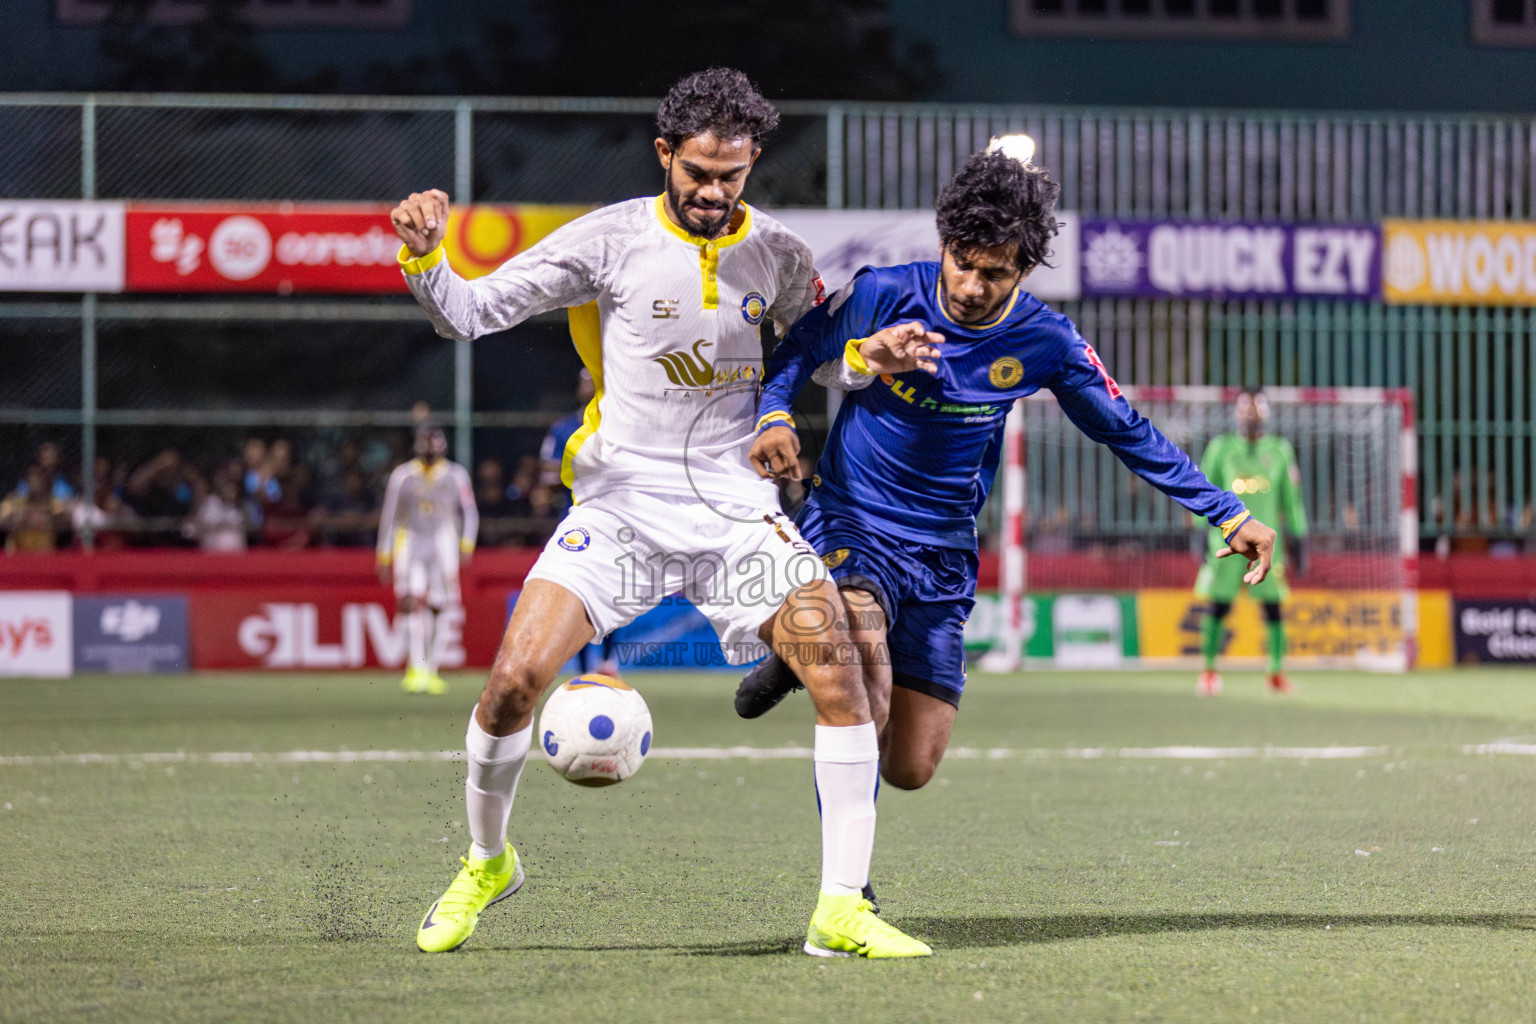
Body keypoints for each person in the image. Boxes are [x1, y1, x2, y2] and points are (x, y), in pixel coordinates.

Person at [390, 67, 928, 959]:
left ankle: (841, 912)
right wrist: (426, 257)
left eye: (734, 176)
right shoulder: (607, 241)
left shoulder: (782, 254)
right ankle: (488, 861)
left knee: (840, 677)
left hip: (734, 512)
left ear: (753, 164)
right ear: (665, 155)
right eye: (699, 174)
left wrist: (871, 353)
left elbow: (817, 360)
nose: (715, 194)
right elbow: (472, 313)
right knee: (511, 685)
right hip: (623, 505)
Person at [737, 139, 1276, 802]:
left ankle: (802, 656)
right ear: (944, 244)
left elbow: (1126, 430)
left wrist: (1226, 509)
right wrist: (774, 416)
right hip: (853, 519)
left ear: (1025, 269)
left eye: (994, 273)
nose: (970, 286)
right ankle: (847, 896)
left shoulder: (1045, 341)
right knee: (864, 690)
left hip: (942, 551)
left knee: (911, 766)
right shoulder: (882, 293)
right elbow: (796, 350)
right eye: (962, 263)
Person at [1194, 390, 1308, 696]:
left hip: (1269, 545)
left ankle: (1275, 672)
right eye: (1248, 412)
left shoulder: (1280, 451)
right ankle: (1208, 671)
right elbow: (1202, 491)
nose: (1253, 419)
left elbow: (1291, 499)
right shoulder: (1220, 449)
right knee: (1219, 606)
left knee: (1273, 607)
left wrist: (1299, 536)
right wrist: (1197, 532)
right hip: (1226, 541)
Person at [376, 426, 478, 696]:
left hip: (442, 542)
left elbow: (469, 512)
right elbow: (391, 516)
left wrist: (466, 543)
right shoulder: (403, 475)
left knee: (440, 605)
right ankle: (415, 666)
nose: (430, 449)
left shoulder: (455, 475)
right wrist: (384, 553)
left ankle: (431, 669)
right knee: (409, 602)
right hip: (411, 542)